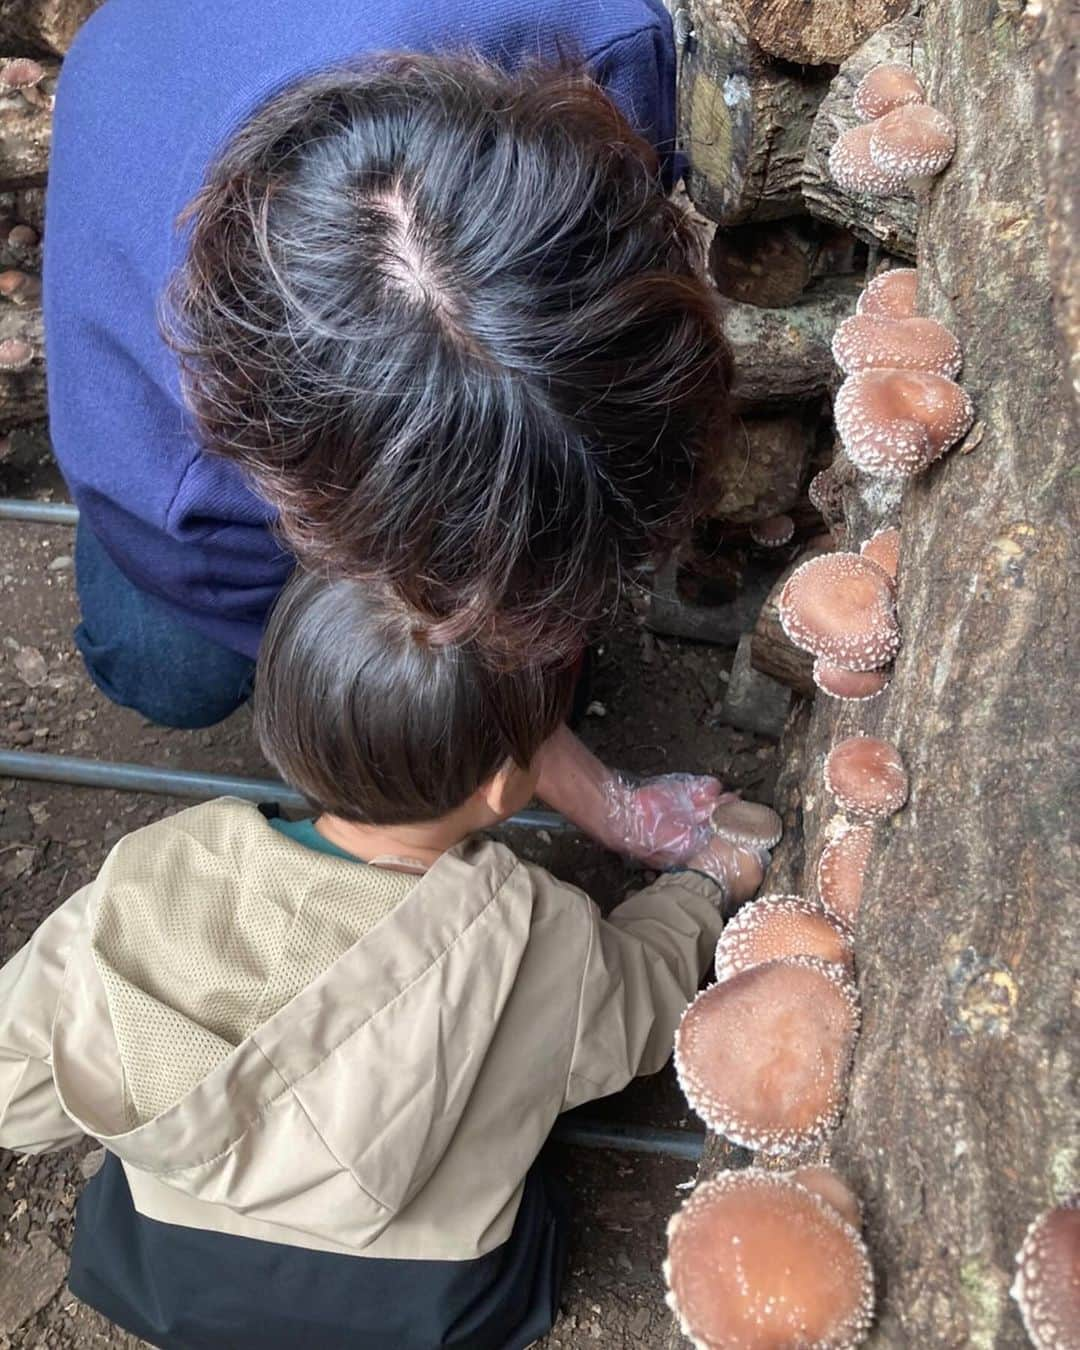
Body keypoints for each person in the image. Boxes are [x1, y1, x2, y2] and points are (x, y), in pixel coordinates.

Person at [45, 8, 740, 869]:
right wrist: (569, 772)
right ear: (313, 499)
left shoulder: (604, 50)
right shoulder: (178, 490)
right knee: (171, 671)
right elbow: (391, 644)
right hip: (133, 96)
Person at [0, 570, 766, 1350]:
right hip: (416, 1308)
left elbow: (17, 1097)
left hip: (161, 1277)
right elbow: (643, 1010)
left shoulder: (149, 874)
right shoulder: (531, 933)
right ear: (506, 785)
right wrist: (704, 888)